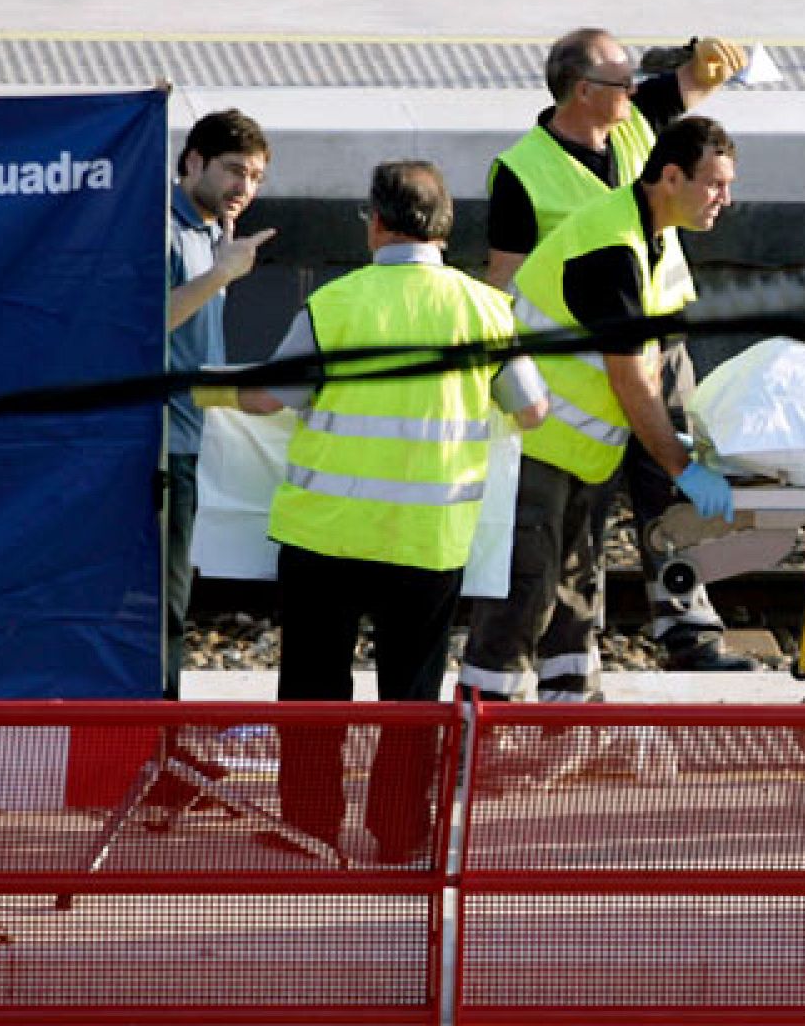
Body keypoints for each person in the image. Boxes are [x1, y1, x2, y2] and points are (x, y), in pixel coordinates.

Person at [196, 159, 546, 863]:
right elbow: (532, 410)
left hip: (323, 535)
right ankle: (398, 832)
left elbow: (270, 397)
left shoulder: (338, 303)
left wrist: (202, 391)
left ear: (377, 223)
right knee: (411, 698)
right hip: (426, 541)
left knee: (313, 691)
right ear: (444, 228)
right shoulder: (485, 309)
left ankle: (312, 826)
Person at [482, 27, 759, 674]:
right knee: (572, 532)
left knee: (665, 495)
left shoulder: (637, 125)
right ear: (584, 91)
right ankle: (561, 663)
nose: (635, 90)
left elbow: (688, 84)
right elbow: (504, 280)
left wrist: (710, 63)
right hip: (582, 378)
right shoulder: (525, 172)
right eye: (620, 81)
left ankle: (687, 627)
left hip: (654, 346)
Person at [165, 108, 273, 700]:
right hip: (156, 446)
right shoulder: (160, 227)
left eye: (255, 177)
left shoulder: (215, 237)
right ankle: (152, 741)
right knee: (162, 605)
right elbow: (145, 323)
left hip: (189, 440)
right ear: (193, 162)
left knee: (174, 601)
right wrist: (221, 275)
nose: (245, 188)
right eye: (234, 170)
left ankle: (159, 736)